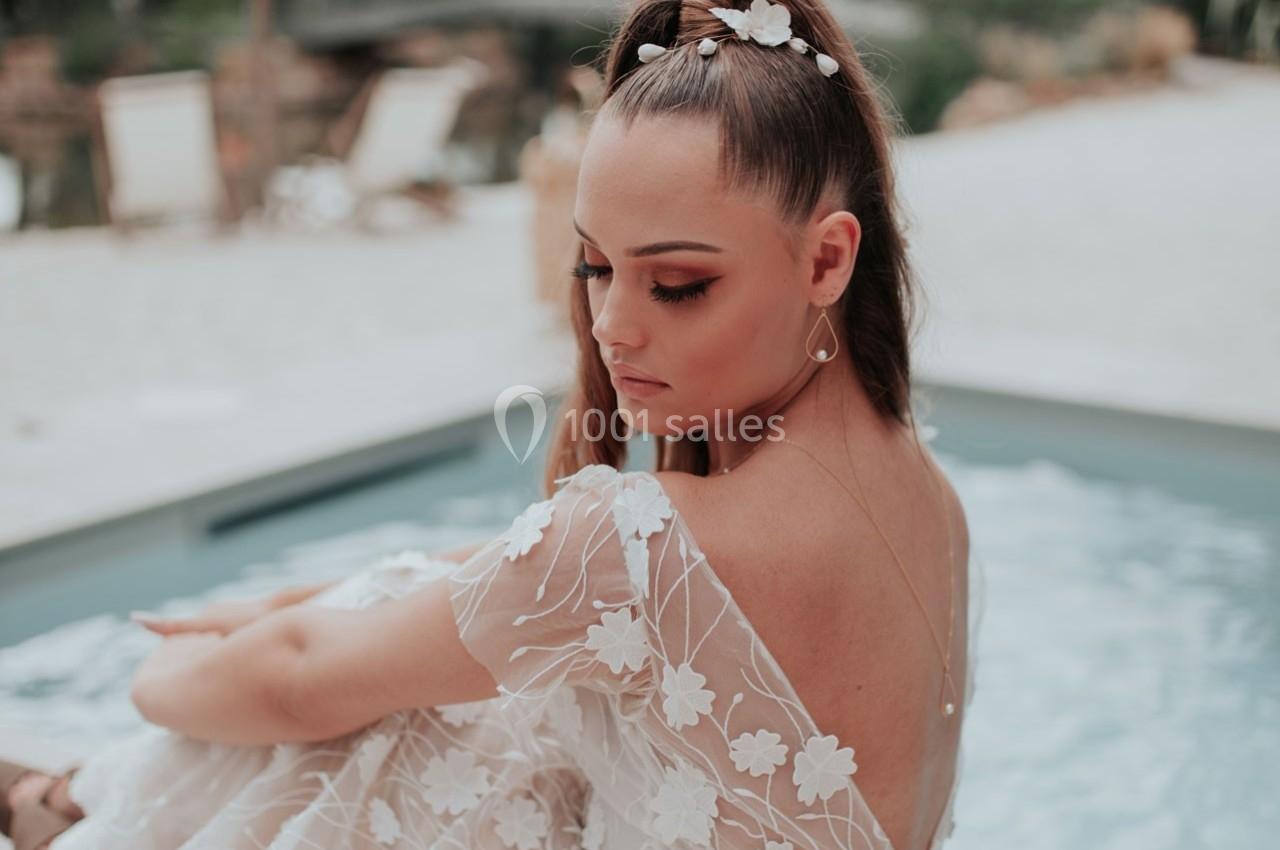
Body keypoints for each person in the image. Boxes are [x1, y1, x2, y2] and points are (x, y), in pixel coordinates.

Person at [0, 1, 980, 848]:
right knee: (483, 686)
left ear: (824, 261)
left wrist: (162, 672)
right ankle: (72, 799)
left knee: (401, 730)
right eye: (595, 266)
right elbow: (500, 579)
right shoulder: (929, 501)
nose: (611, 324)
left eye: (677, 284)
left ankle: (70, 801)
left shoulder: (632, 548)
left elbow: (299, 682)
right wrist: (287, 607)